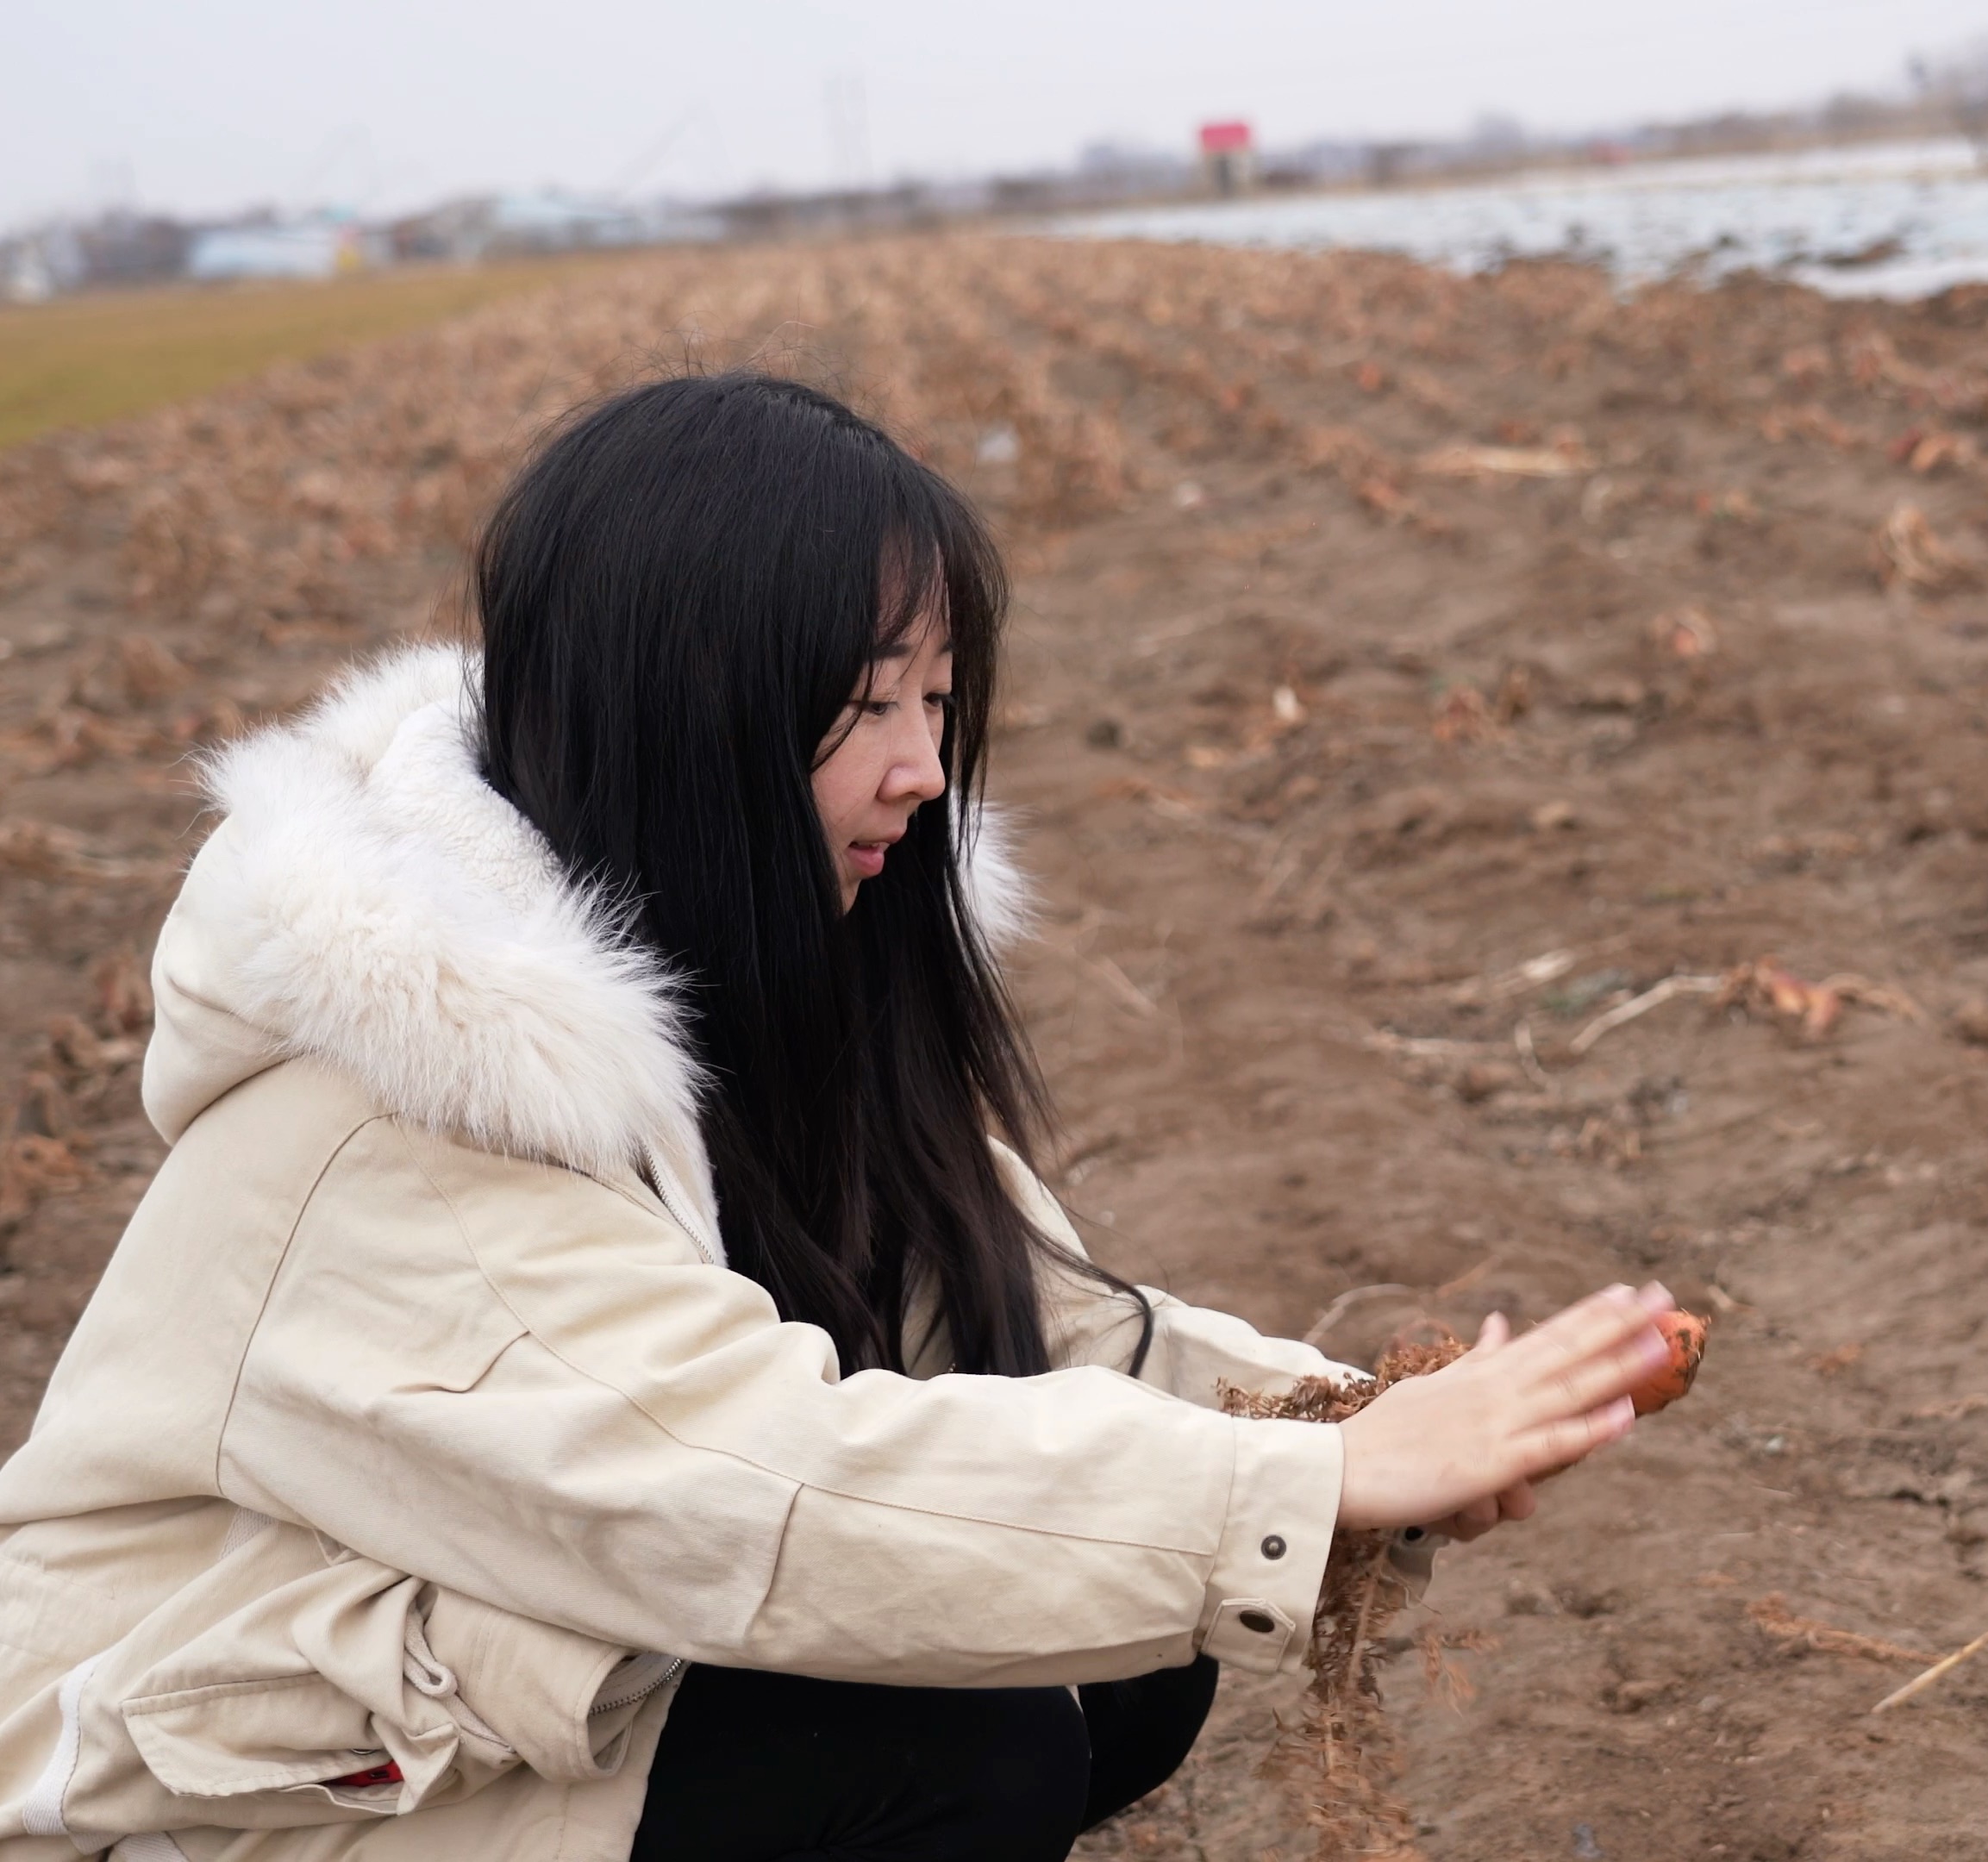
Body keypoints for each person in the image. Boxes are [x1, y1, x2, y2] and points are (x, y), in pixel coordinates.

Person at [0, 373, 1675, 1862]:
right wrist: (1292, 1489)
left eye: (939, 702)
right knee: (945, 1739)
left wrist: (1332, 1431)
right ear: (693, 707)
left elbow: (1020, 1334)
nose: (926, 768)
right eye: (873, 701)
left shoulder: (753, 997)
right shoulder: (409, 1111)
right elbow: (753, 1485)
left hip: (463, 1698)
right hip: (183, 1798)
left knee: (1120, 1652)